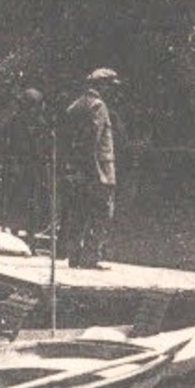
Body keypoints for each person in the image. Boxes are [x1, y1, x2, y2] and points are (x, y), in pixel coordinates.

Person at [61, 67, 121, 269]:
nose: (112, 91)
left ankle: (74, 257)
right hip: (99, 169)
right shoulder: (98, 106)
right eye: (110, 86)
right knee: (101, 213)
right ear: (101, 85)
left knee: (78, 211)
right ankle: (90, 258)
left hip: (77, 169)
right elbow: (91, 142)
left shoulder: (74, 106)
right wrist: (98, 173)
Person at [0, 87, 49, 239]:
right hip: (25, 167)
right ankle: (24, 236)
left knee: (21, 201)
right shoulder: (31, 121)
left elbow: (0, 137)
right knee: (25, 201)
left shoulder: (19, 120)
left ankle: (22, 234)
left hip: (24, 167)